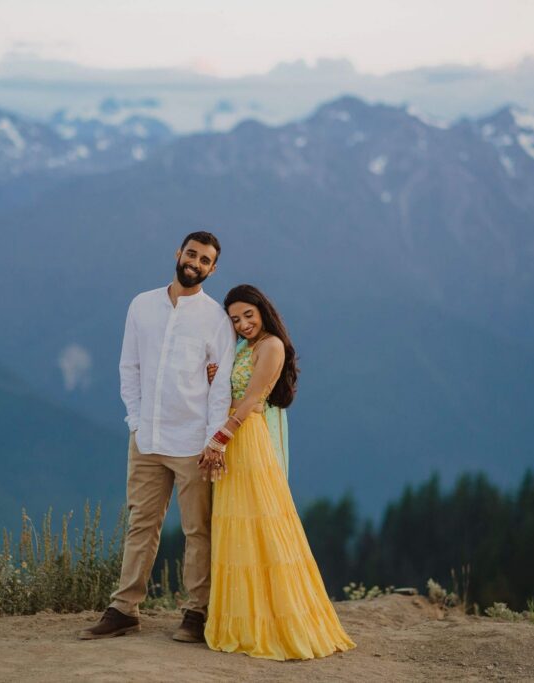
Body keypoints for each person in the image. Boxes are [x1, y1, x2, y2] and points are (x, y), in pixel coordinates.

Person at [79, 232, 236, 643]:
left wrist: (213, 439)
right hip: (146, 438)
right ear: (178, 254)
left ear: (212, 269)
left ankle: (196, 613)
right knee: (140, 525)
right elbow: (128, 366)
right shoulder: (141, 305)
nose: (196, 263)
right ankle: (124, 609)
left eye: (205, 260)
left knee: (197, 530)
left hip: (192, 442)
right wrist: (134, 420)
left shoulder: (217, 319)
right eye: (191, 254)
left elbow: (220, 387)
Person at [199, 284, 356, 660]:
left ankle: (277, 621)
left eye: (248, 315)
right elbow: (232, 392)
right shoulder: (243, 347)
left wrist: (221, 436)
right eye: (235, 319)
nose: (243, 323)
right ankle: (243, 619)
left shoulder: (272, 346)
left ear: (263, 311)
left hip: (246, 438)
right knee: (236, 524)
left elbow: (254, 398)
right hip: (233, 438)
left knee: (263, 523)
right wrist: (214, 379)